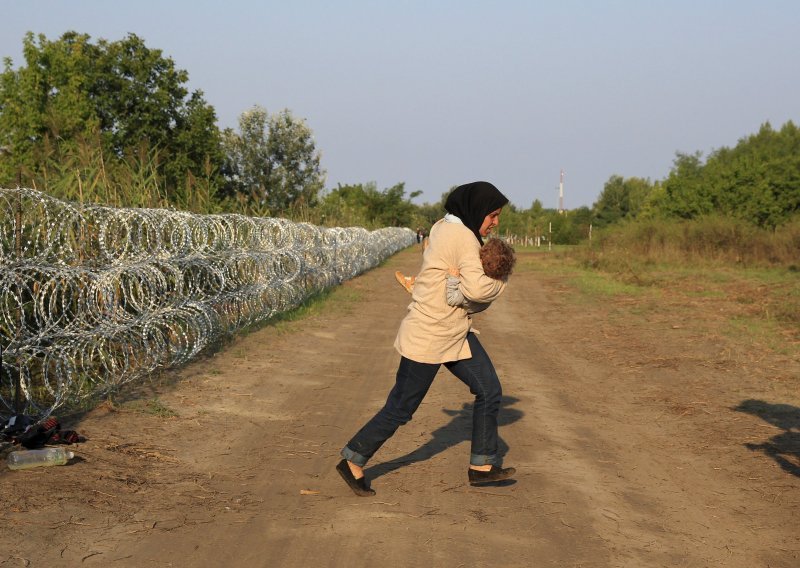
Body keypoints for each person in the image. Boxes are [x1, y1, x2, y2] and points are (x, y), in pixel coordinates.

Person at [336, 181, 516, 496]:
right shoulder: (462, 237)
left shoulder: (442, 227)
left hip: (453, 333)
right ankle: (353, 459)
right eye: (493, 215)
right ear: (476, 210)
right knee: (401, 406)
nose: (495, 222)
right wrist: (503, 279)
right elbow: (476, 289)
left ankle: (482, 466)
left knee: (489, 390)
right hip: (431, 334)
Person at [395, 237, 516, 312]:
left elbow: (452, 299)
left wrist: (453, 279)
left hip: (450, 301)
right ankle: (430, 256)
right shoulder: (495, 279)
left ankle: (415, 284)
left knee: (447, 273)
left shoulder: (473, 290)